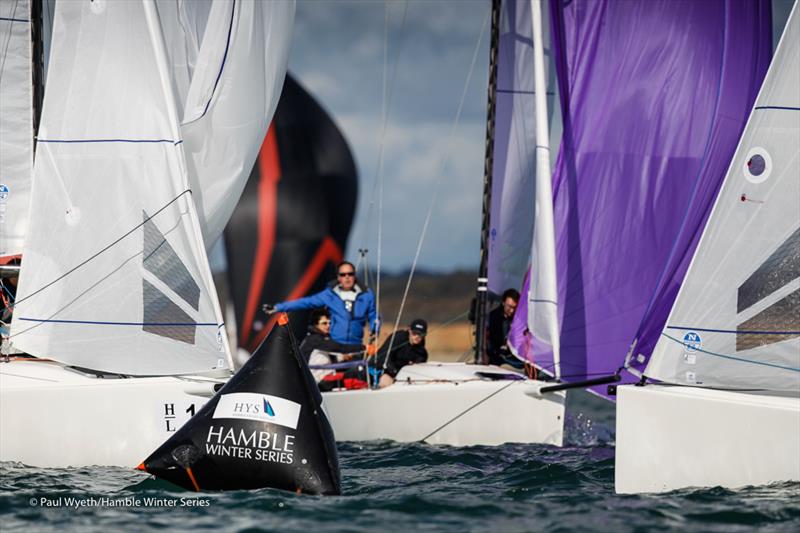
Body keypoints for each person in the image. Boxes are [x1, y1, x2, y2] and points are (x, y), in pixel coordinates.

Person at [265, 261, 378, 344]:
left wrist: (375, 329)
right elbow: (305, 302)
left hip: (356, 346)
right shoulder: (329, 295)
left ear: (355, 275)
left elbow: (374, 316)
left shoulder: (367, 295)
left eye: (350, 274)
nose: (347, 277)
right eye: (343, 275)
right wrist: (278, 307)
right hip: (334, 345)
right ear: (338, 277)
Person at [299, 308, 365, 390]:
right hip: (320, 381)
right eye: (324, 323)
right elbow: (340, 348)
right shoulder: (314, 339)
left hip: (325, 377)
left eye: (329, 323)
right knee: (358, 374)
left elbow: (322, 358)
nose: (328, 326)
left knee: (356, 371)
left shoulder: (316, 339)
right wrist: (364, 347)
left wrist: (343, 357)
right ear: (315, 325)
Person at [374, 318, 428, 388]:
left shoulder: (421, 346)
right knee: (385, 382)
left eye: (421, 334)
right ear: (409, 330)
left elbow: (422, 357)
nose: (417, 337)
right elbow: (382, 357)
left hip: (405, 375)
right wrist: (394, 371)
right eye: (414, 333)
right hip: (388, 372)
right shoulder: (398, 338)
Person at [486, 288, 521, 367]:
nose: (512, 311)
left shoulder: (520, 318)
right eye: (509, 307)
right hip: (496, 358)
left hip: (515, 359)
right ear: (503, 303)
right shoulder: (492, 317)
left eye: (514, 308)